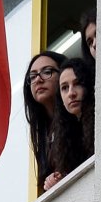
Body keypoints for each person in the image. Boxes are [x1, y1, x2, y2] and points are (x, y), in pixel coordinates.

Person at [44, 56, 95, 188]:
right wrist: (57, 180)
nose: (71, 93)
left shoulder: (100, 119)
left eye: (77, 84)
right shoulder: (65, 134)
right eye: (64, 88)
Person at [23, 53, 67, 193]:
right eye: (33, 76)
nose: (38, 80)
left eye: (47, 72)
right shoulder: (43, 131)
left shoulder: (77, 116)